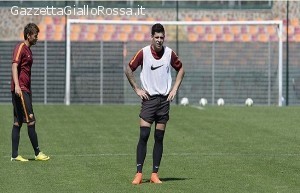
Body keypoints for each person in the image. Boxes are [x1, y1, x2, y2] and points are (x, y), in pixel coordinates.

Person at [125, 23, 185, 184]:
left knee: (159, 137)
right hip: (149, 100)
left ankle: (154, 174)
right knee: (144, 135)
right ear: (151, 37)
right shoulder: (143, 53)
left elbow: (181, 69)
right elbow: (129, 69)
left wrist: (174, 89)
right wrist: (137, 89)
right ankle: (138, 173)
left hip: (164, 101)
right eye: (156, 37)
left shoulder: (169, 53)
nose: (159, 40)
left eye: (162, 37)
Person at [10, 23, 50, 161]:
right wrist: (17, 86)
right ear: (29, 35)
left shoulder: (29, 50)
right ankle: (37, 152)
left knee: (18, 122)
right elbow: (14, 66)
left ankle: (14, 155)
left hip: (25, 89)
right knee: (31, 120)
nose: (37, 38)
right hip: (21, 89)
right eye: (35, 35)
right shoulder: (21, 47)